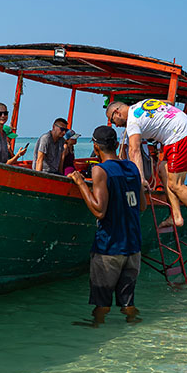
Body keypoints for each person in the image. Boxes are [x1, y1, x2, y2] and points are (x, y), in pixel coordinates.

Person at [106, 99, 187, 243]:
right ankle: (176, 215)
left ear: (117, 112)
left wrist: (140, 178)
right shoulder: (143, 103)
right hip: (181, 134)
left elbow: (134, 150)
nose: (115, 125)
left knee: (176, 185)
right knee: (162, 169)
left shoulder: (132, 121)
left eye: (112, 120)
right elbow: (168, 102)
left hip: (181, 136)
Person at [68, 126, 143, 326]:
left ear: (95, 147)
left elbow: (100, 211)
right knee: (127, 303)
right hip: (133, 248)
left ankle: (95, 329)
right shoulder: (133, 168)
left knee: (103, 303)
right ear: (117, 145)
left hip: (109, 248)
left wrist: (81, 183)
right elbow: (142, 205)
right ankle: (135, 327)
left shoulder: (100, 170)